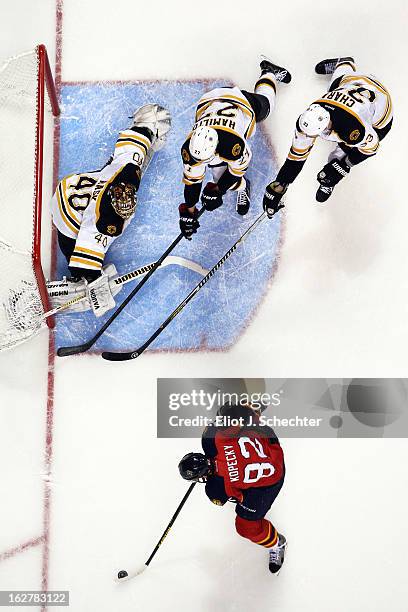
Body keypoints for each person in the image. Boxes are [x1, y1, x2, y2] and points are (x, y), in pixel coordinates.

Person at [50, 104, 171, 316]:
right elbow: (88, 253)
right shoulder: (106, 224)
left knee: (97, 269)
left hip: (73, 187)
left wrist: (148, 130)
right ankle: (69, 288)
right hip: (68, 213)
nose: (125, 210)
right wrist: (96, 286)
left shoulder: (129, 171)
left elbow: (136, 139)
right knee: (91, 271)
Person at [262, 56, 393, 215]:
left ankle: (330, 179)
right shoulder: (306, 121)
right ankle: (344, 63)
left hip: (380, 105)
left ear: (328, 125)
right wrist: (280, 183)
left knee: (343, 153)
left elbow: (371, 148)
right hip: (354, 82)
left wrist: (345, 165)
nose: (312, 137)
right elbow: (296, 157)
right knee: (334, 86)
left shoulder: (352, 130)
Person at [179, 57, 292, 239]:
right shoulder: (190, 148)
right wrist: (188, 212)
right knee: (217, 175)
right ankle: (241, 188)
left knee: (267, 105)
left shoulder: (234, 146)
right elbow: (192, 181)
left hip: (243, 103)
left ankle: (270, 72)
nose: (200, 163)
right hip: (211, 100)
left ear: (216, 149)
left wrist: (219, 190)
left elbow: (235, 172)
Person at [178, 402, 286, 574]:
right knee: (228, 415)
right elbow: (216, 426)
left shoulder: (215, 490)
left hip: (272, 481)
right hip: (270, 442)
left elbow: (228, 499)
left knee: (245, 526)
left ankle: (277, 543)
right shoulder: (211, 439)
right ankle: (253, 411)